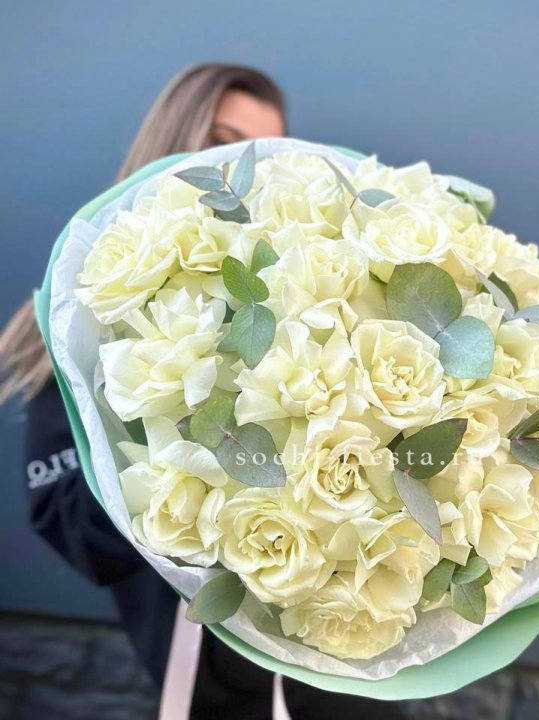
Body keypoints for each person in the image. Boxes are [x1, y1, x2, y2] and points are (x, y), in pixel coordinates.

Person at [2, 63, 404, 720]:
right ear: (175, 138)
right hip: (200, 686)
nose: (240, 169)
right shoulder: (86, 309)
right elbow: (71, 527)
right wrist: (193, 469)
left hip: (345, 666)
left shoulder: (295, 279)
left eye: (263, 151)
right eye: (222, 141)